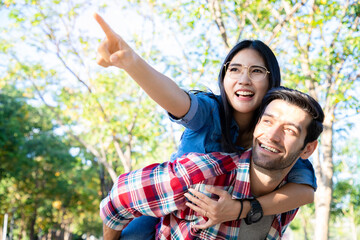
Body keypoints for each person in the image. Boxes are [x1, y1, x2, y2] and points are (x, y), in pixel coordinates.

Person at [94, 13, 317, 239]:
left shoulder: (274, 137)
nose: (244, 79)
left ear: (271, 82)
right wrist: (132, 63)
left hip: (219, 219)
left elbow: (304, 192)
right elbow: (175, 98)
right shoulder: (210, 111)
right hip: (168, 200)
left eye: (256, 71)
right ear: (224, 76)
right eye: (235, 69)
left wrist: (242, 209)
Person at [100, 87, 325, 240]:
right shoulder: (202, 175)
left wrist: (241, 210)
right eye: (267, 121)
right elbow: (119, 198)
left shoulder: (288, 199)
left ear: (308, 149)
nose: (272, 135)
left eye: (289, 130)